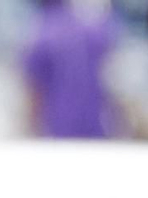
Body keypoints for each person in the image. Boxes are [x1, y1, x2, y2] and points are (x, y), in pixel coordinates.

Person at [21, 0, 120, 139]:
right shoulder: (95, 30)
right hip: (96, 128)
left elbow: (35, 92)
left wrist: (31, 130)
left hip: (57, 130)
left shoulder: (40, 34)